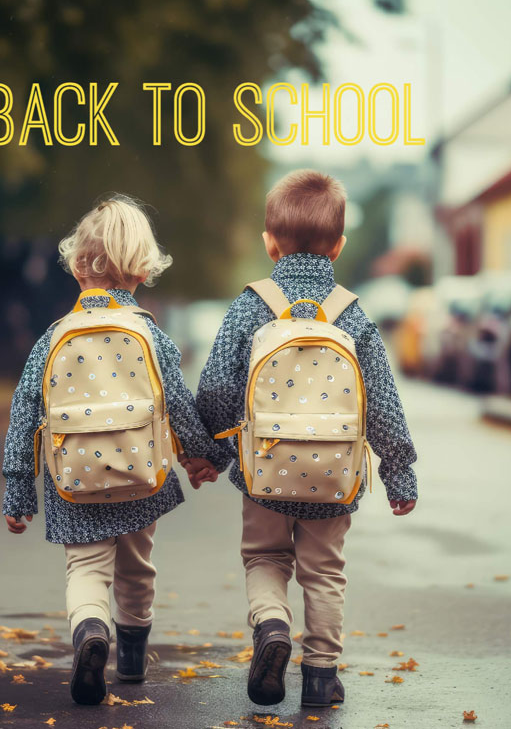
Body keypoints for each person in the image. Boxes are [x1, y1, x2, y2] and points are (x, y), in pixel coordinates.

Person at [194, 169, 419, 707]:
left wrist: (210, 451)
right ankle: (321, 675)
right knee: (325, 571)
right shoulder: (353, 315)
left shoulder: (251, 305)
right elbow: (382, 401)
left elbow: (219, 388)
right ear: (338, 246)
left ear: (270, 243)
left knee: (265, 558)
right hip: (334, 476)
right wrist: (399, 471)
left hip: (264, 470)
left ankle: (271, 626)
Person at [1, 195, 224, 705]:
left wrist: (18, 490)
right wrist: (199, 457)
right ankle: (129, 657)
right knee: (137, 568)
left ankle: (89, 632)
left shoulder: (53, 338)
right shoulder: (151, 334)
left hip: (72, 482)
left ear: (78, 267)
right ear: (142, 272)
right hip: (141, 475)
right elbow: (180, 406)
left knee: (86, 569)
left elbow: (23, 416)